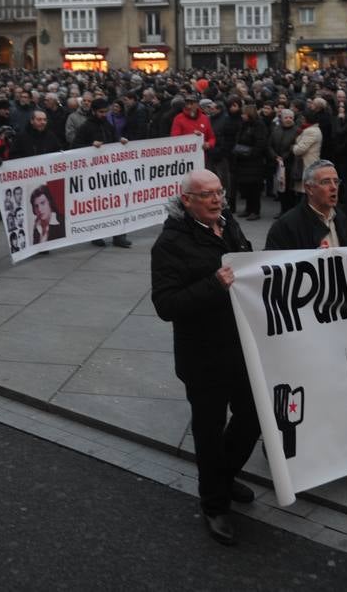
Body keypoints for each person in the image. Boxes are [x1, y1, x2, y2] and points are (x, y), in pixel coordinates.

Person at [150, 168, 256, 545]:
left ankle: (224, 477)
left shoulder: (229, 225)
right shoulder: (169, 243)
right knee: (209, 432)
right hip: (203, 355)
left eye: (219, 192)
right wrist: (214, 284)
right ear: (187, 201)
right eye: (206, 195)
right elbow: (166, 305)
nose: (216, 200)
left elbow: (246, 264)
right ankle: (214, 505)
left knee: (253, 416)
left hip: (241, 346)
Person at [73, 98, 132, 248]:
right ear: (93, 111)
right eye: (101, 112)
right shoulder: (86, 127)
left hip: (110, 171)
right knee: (98, 205)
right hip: (94, 174)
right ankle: (96, 234)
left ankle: (119, 236)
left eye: (106, 112)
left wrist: (120, 141)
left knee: (116, 203)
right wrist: (90, 146)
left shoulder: (107, 125)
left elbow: (112, 141)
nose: (104, 114)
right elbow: (75, 146)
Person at [266, 160, 347, 250]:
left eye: (336, 181)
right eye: (326, 182)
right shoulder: (286, 226)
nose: (334, 187)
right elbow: (274, 260)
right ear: (309, 188)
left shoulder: (341, 218)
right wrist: (311, 258)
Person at [230, 102, 269, 220]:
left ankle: (255, 211)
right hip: (243, 161)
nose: (242, 116)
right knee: (246, 187)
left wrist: (249, 153)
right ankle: (248, 208)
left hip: (254, 162)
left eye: (244, 114)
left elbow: (260, 144)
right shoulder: (244, 125)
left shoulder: (259, 125)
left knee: (254, 188)